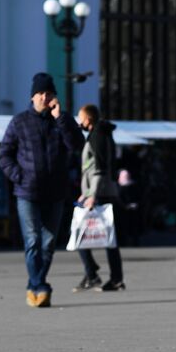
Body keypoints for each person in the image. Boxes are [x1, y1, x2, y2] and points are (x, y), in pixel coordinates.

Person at [0, 72, 81, 308]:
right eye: (40, 93)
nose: (45, 97)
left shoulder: (61, 121)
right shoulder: (19, 122)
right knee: (33, 239)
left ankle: (35, 284)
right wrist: (19, 176)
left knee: (49, 242)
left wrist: (61, 118)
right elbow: (4, 155)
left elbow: (77, 146)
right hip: (27, 192)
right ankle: (40, 286)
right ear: (33, 96)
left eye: (49, 93)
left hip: (55, 192)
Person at [73, 104, 125, 293]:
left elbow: (98, 169)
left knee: (80, 233)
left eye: (81, 118)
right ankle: (114, 278)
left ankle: (93, 273)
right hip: (103, 192)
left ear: (88, 119)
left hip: (100, 194)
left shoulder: (97, 137)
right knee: (109, 239)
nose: (80, 122)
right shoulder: (103, 134)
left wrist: (91, 195)